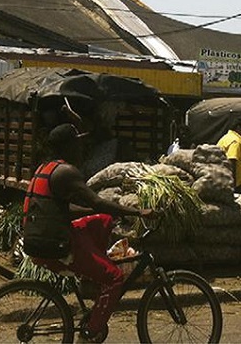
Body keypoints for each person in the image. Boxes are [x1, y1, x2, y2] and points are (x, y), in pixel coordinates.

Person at [23, 123, 155, 343]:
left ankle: (95, 277)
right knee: (115, 277)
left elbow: (63, 208)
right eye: (77, 142)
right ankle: (91, 333)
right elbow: (97, 200)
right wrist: (138, 211)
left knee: (102, 220)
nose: (81, 147)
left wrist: (96, 211)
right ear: (67, 146)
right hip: (57, 244)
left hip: (39, 238)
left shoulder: (44, 169)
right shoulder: (66, 172)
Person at [216, 119, 241, 192]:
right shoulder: (235, 141)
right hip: (239, 184)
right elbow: (232, 160)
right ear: (238, 127)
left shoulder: (226, 138)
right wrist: (233, 183)